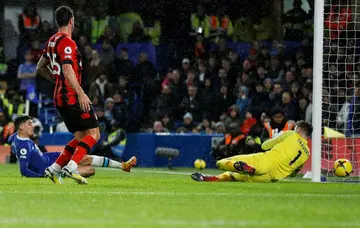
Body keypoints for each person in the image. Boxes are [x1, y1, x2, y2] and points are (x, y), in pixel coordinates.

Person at [36, 6, 101, 184]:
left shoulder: (51, 41)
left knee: (81, 138)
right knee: (94, 134)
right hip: (71, 96)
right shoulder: (67, 42)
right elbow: (66, 68)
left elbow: (40, 67)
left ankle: (54, 168)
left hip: (60, 97)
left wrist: (56, 81)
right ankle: (71, 167)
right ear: (71, 20)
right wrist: (81, 93)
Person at [9, 115, 137, 183]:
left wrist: (13, 140)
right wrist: (42, 177)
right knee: (89, 168)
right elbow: (24, 171)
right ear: (21, 128)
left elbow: (11, 139)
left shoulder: (16, 138)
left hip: (51, 157)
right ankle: (123, 166)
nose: (33, 126)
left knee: (87, 163)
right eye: (29, 124)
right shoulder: (23, 147)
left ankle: (123, 166)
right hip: (49, 164)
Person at [191, 121, 313, 182]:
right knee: (236, 177)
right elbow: (293, 175)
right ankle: (207, 178)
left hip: (265, 161)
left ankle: (251, 169)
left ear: (299, 129)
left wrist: (275, 138)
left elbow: (265, 146)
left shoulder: (291, 134)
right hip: (271, 177)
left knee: (221, 163)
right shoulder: (307, 153)